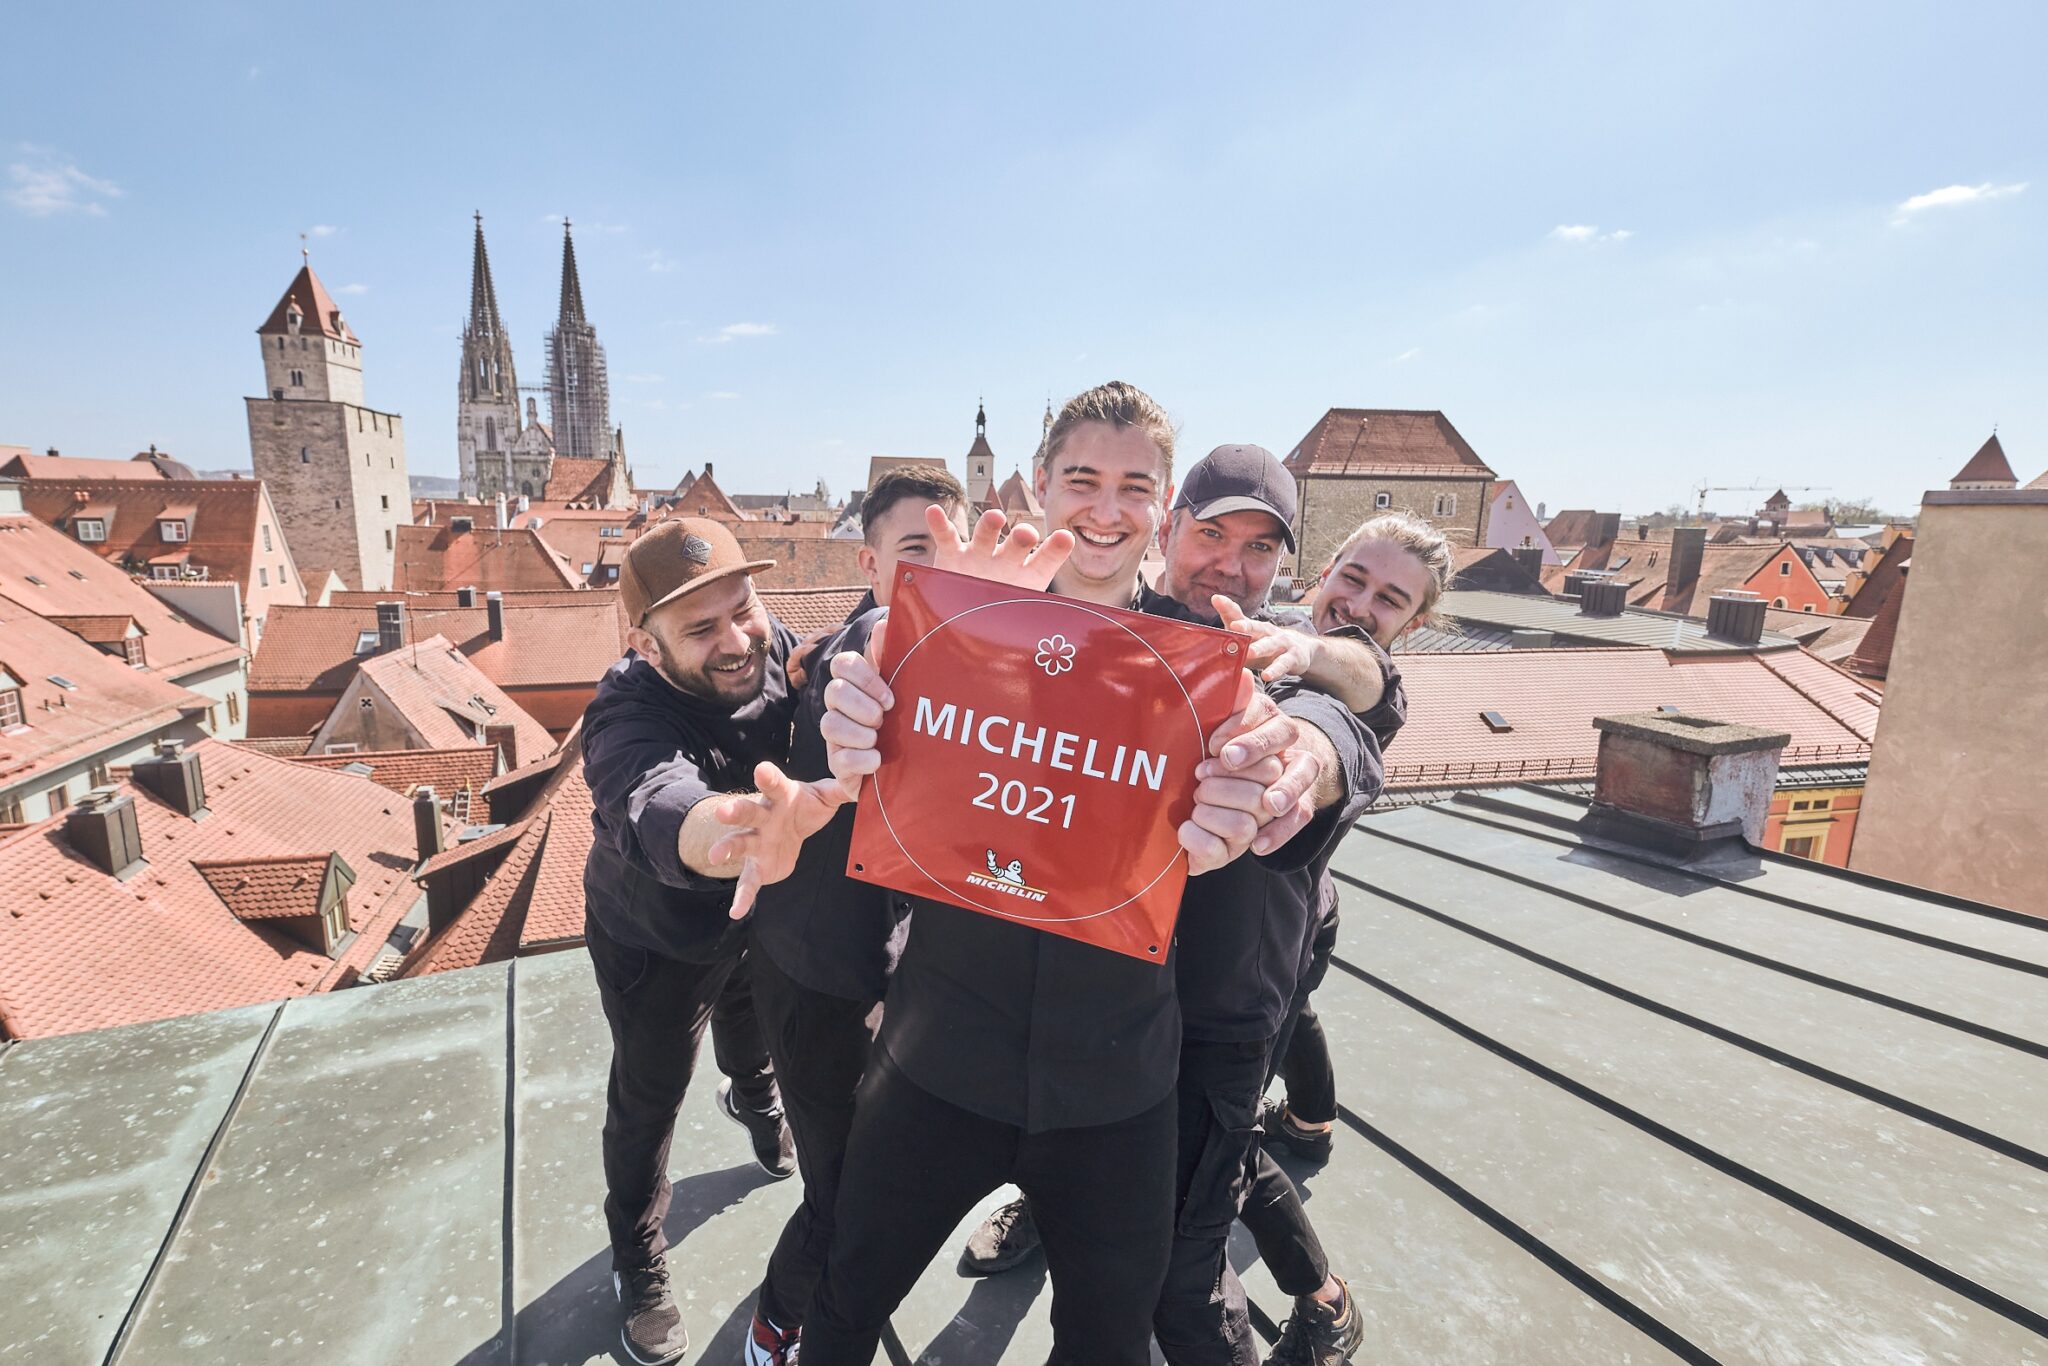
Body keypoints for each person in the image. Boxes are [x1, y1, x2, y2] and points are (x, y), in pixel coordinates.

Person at [801, 383, 1370, 1365]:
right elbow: (849, 657)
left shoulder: (1203, 661)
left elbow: (1350, 715)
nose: (1104, 509)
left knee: (1104, 1345)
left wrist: (1292, 770)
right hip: (937, 1055)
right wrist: (855, 689)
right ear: (1035, 485)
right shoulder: (964, 623)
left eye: (1132, 486)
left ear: (1160, 507)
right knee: (843, 1310)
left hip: (1116, 1092)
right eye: (1082, 479)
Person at [959, 444, 1402, 1366]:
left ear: (1282, 567)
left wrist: (1301, 747)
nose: (1231, 565)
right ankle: (1050, 1212)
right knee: (1119, 1177)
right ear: (1170, 530)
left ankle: (1306, 1310)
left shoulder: (1284, 653)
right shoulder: (1123, 627)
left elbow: (1361, 698)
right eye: (1212, 534)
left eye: (1258, 549)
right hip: (1105, 988)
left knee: (1179, 1265)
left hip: (1220, 1010)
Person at [742, 464, 974, 1365]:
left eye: (952, 551)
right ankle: (774, 1327)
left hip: (887, 972)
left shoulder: (933, 651)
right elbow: (885, 647)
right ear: (872, 564)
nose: (938, 571)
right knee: (840, 1193)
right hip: (818, 979)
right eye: (916, 551)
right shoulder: (870, 648)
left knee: (870, 1178)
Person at [580, 516, 821, 1365]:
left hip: (760, 919)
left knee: (752, 1032)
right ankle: (636, 1251)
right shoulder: (624, 712)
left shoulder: (775, 647)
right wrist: (741, 832)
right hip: (657, 940)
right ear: (647, 647)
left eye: (742, 609)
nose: (736, 640)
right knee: (648, 1098)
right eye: (701, 628)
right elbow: (655, 801)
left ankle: (754, 1099)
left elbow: (836, 656)